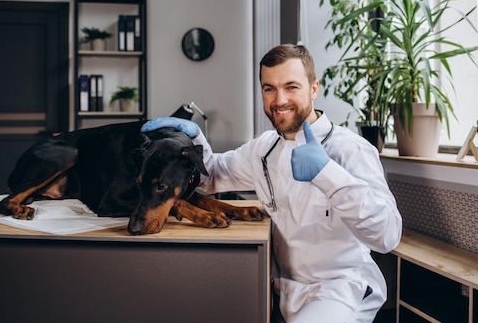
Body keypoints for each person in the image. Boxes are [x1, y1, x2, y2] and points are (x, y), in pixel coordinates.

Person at [142, 43, 402, 323]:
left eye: (291, 87)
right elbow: (212, 175)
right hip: (284, 292)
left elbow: (387, 235)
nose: (279, 100)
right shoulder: (263, 149)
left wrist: (326, 172)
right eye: (269, 88)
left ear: (314, 89)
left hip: (339, 292)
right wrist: (195, 140)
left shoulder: (351, 149)